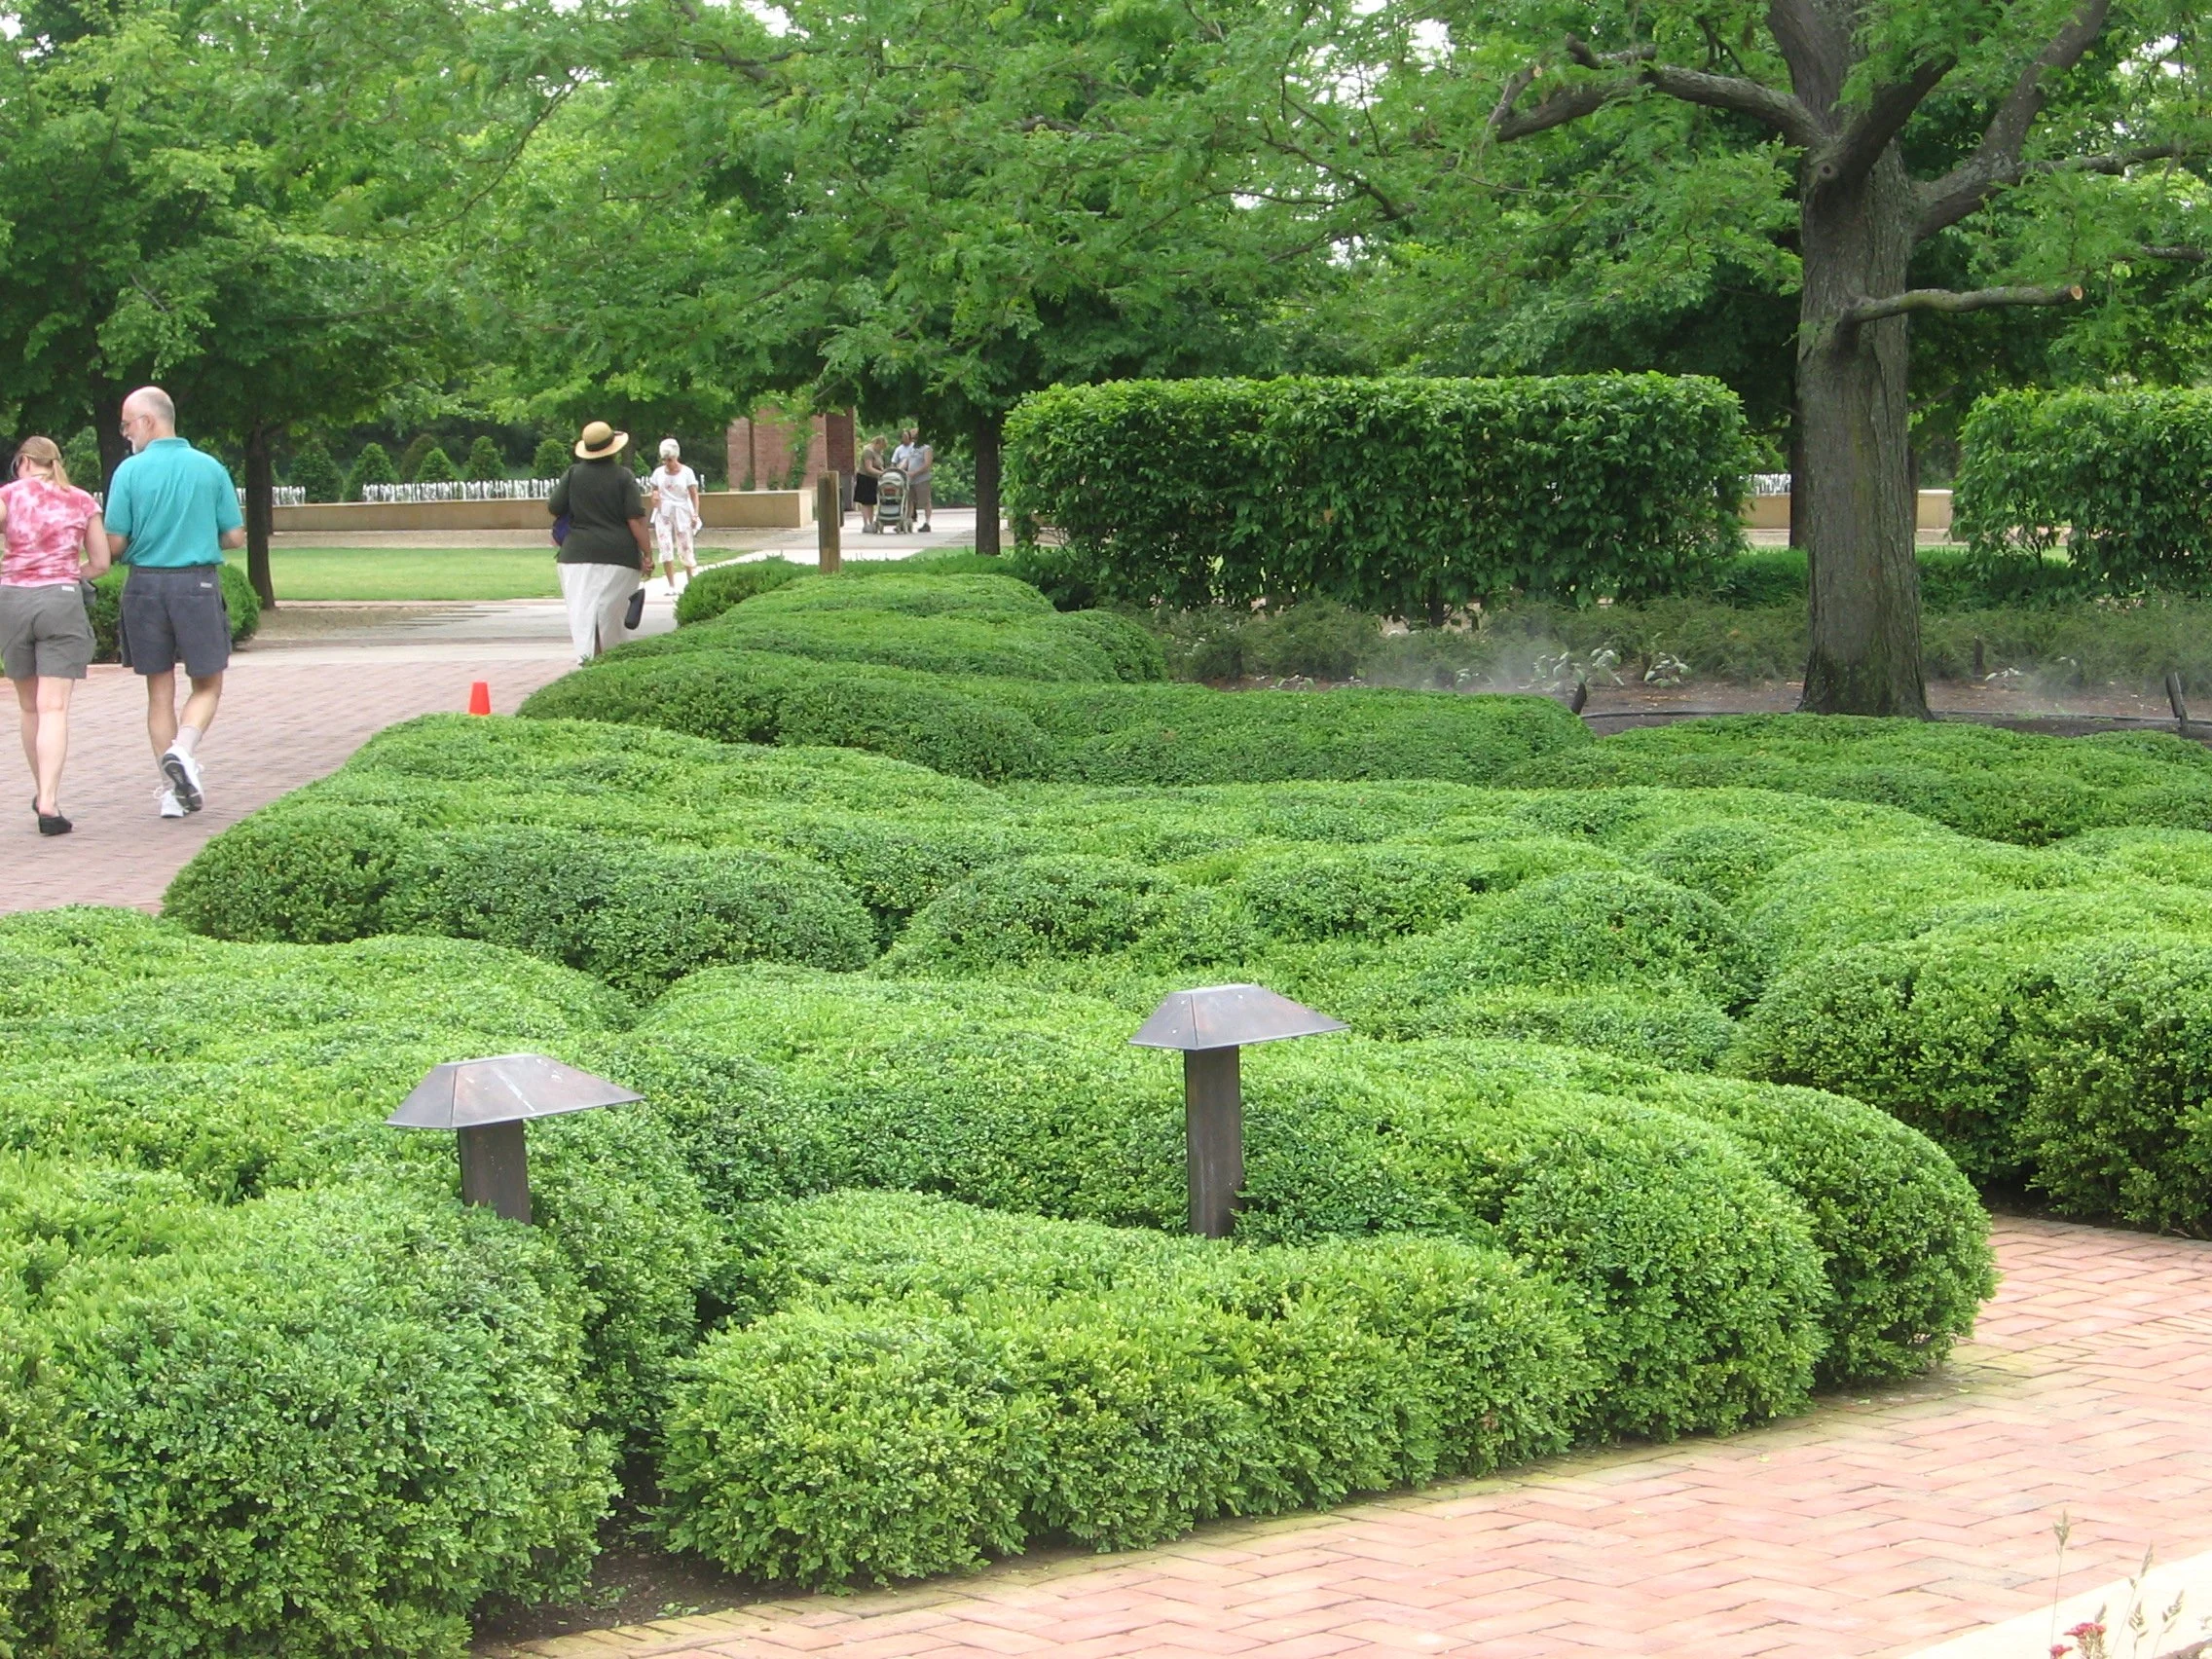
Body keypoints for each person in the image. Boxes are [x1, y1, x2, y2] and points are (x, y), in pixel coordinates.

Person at [104, 386, 244, 819]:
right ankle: (183, 750)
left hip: (144, 587)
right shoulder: (209, 467)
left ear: (148, 421)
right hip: (195, 585)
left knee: (158, 690)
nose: (127, 434)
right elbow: (235, 536)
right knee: (207, 683)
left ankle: (171, 792)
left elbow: (115, 541)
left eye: (128, 424)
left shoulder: (128, 472)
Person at [0, 437, 109, 834]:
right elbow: (100, 562)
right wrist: (65, 573)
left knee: (29, 708)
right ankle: (48, 800)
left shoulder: (9, 496)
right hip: (61, 601)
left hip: (12, 601)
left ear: (25, 461)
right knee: (55, 709)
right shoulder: (82, 501)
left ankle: (40, 791)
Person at [548, 422, 651, 662]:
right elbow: (635, 520)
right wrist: (647, 554)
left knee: (583, 616)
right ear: (613, 448)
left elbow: (554, 507)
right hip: (619, 557)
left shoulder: (573, 474)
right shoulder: (623, 477)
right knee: (611, 619)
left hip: (575, 556)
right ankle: (611, 666)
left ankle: (587, 664)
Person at [647, 439, 702, 592]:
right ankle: (671, 585)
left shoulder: (687, 472)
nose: (667, 463)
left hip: (682, 511)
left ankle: (691, 581)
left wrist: (695, 514)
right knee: (665, 546)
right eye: (664, 460)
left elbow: (693, 495)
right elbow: (655, 490)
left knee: (685, 545)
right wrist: (655, 496)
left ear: (676, 457)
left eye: (670, 460)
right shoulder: (658, 473)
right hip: (663, 512)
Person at [892, 426, 934, 532]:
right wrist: (899, 469)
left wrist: (915, 473)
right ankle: (907, 522)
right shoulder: (912, 449)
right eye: (912, 438)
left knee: (925, 501)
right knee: (909, 501)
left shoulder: (926, 448)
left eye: (914, 437)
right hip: (910, 480)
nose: (912, 440)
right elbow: (906, 461)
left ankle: (927, 523)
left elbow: (927, 464)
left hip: (922, 480)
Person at [854, 434, 887, 532]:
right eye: (881, 446)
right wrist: (881, 473)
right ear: (877, 443)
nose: (881, 449)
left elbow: (879, 465)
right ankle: (866, 524)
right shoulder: (868, 451)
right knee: (865, 502)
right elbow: (869, 468)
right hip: (865, 478)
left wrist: (883, 471)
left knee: (871, 502)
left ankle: (872, 522)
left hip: (873, 479)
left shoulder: (878, 453)